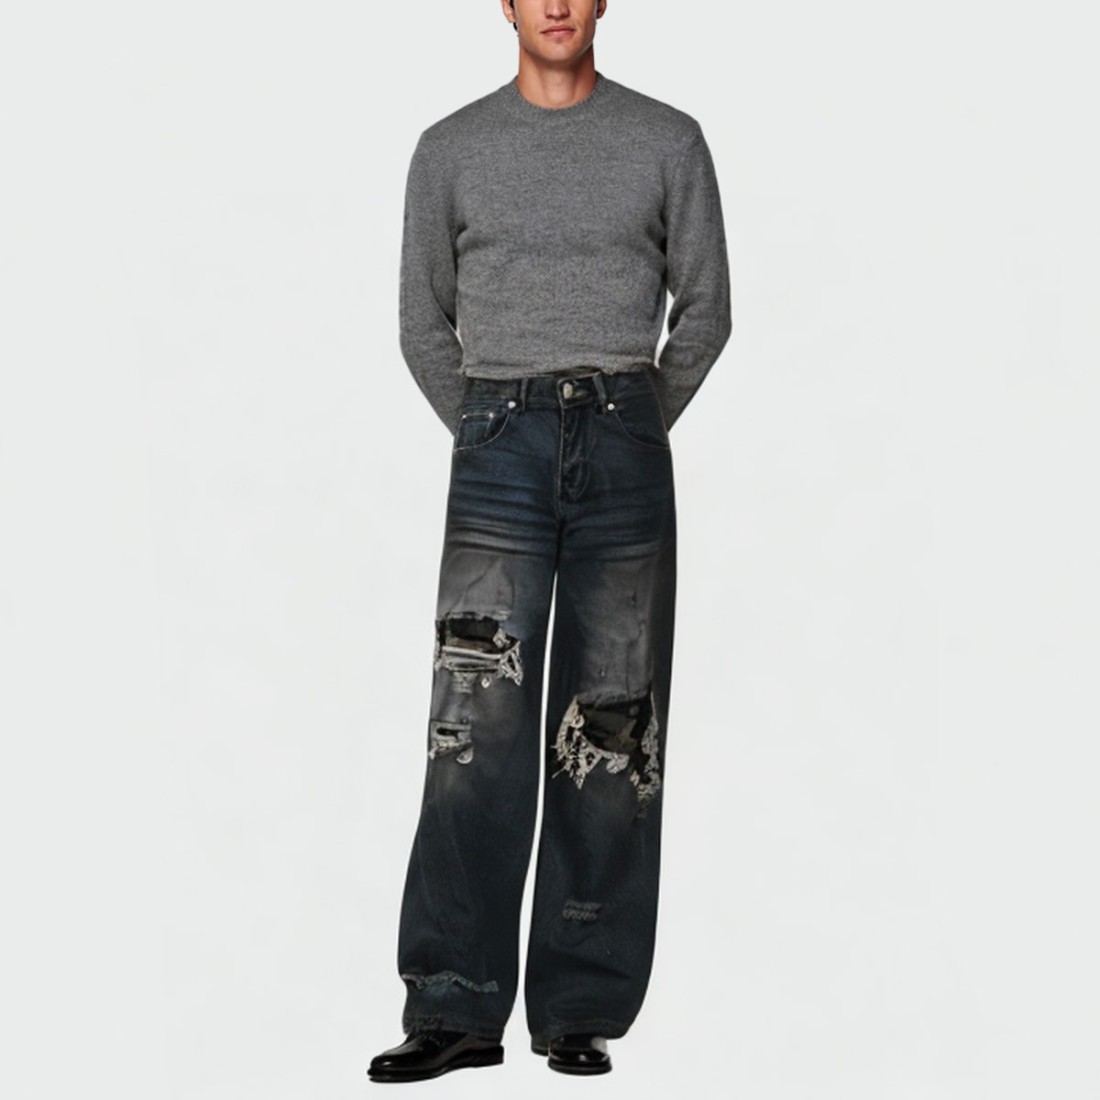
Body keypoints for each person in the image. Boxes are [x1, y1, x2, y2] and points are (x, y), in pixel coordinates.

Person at [368, 0, 732, 1082]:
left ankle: (578, 1004)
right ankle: (453, 1005)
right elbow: (420, 320)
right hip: (497, 439)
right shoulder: (450, 148)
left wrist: (633, 425)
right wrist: (488, 429)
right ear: (507, 4)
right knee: (472, 729)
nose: (558, 4)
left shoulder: (667, 140)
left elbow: (706, 311)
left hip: (624, 434)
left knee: (612, 730)